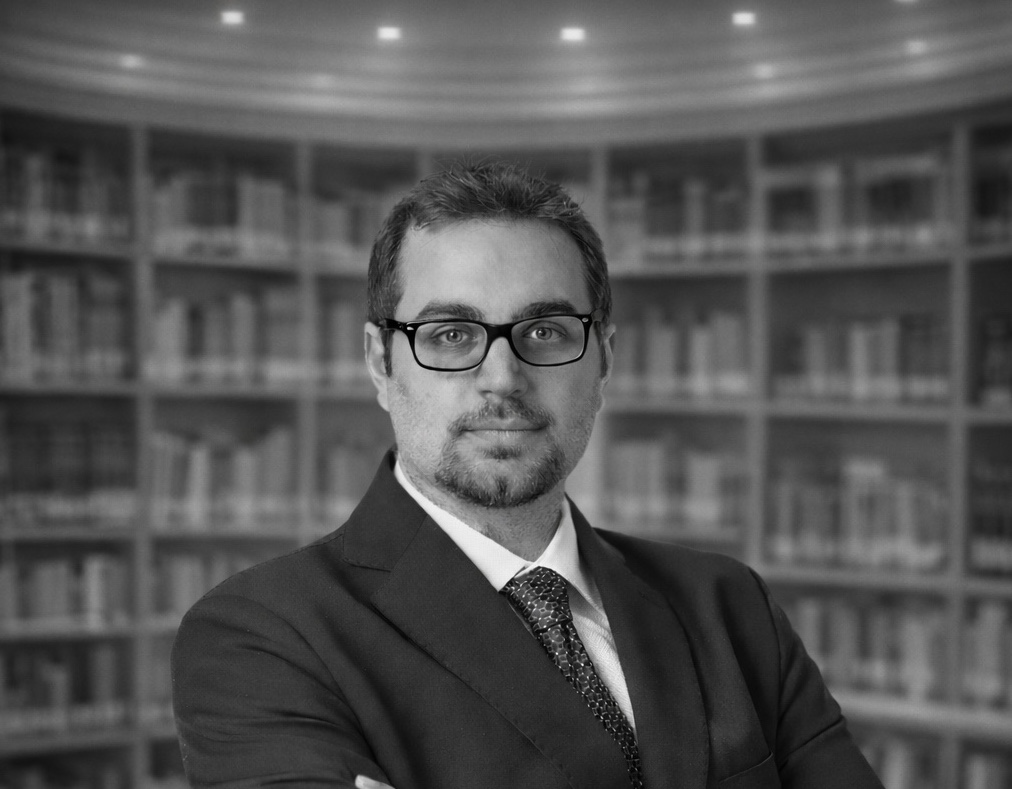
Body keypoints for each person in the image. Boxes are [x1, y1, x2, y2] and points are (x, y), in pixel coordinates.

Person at [171, 160, 884, 789]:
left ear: (603, 359)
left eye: (545, 331)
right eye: (451, 335)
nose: (502, 378)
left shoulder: (730, 607)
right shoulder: (262, 638)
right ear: (381, 363)